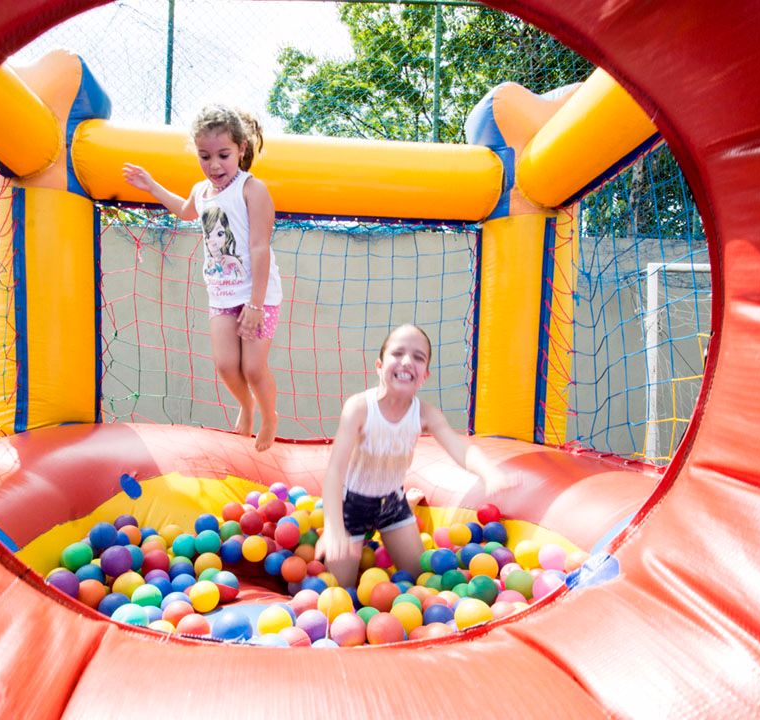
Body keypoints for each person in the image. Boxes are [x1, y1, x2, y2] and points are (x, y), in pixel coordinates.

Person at [123, 104, 281, 451]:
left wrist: (254, 304)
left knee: (253, 368)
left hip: (258, 293)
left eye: (223, 155)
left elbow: (259, 248)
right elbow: (185, 210)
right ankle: (246, 405)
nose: (214, 165)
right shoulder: (202, 191)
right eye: (204, 156)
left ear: (241, 148)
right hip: (222, 294)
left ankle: (269, 416)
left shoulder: (252, 189)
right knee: (226, 365)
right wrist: (151, 186)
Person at [315, 324, 506, 588]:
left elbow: (461, 448)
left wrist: (490, 472)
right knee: (340, 591)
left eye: (418, 357)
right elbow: (335, 470)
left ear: (425, 375)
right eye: (398, 353)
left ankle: (404, 510)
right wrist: (334, 527)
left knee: (420, 582)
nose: (407, 362)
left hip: (392, 503)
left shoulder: (425, 414)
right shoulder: (359, 408)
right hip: (350, 507)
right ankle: (330, 536)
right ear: (379, 365)